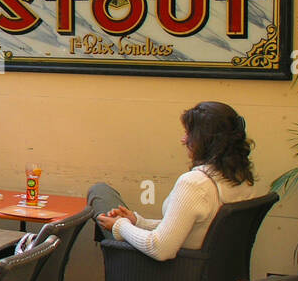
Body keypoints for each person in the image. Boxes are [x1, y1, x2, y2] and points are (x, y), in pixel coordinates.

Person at [90, 101, 259, 261]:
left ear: (205, 140)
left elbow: (159, 248)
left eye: (189, 134)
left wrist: (120, 226)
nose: (183, 140)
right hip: (207, 273)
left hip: (166, 273)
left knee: (100, 192)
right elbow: (192, 229)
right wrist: (138, 222)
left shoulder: (195, 184)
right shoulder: (241, 179)